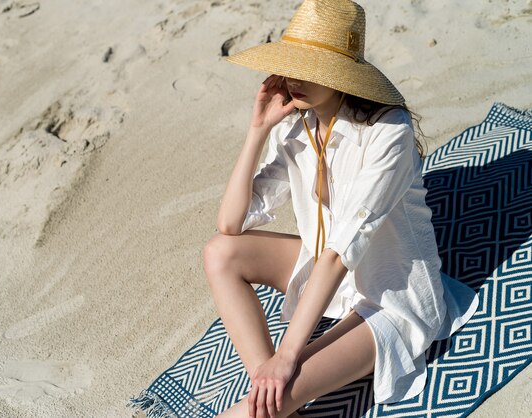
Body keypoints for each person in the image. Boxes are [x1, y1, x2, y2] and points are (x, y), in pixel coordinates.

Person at [202, 0, 479, 417]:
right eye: (292, 64)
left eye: (312, 67)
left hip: (386, 297)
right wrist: (257, 130)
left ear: (343, 74)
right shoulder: (299, 123)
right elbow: (230, 223)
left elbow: (341, 252)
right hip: (326, 278)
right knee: (219, 252)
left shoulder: (389, 133)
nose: (296, 78)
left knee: (258, 406)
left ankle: (272, 402)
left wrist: (287, 356)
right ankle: (279, 403)